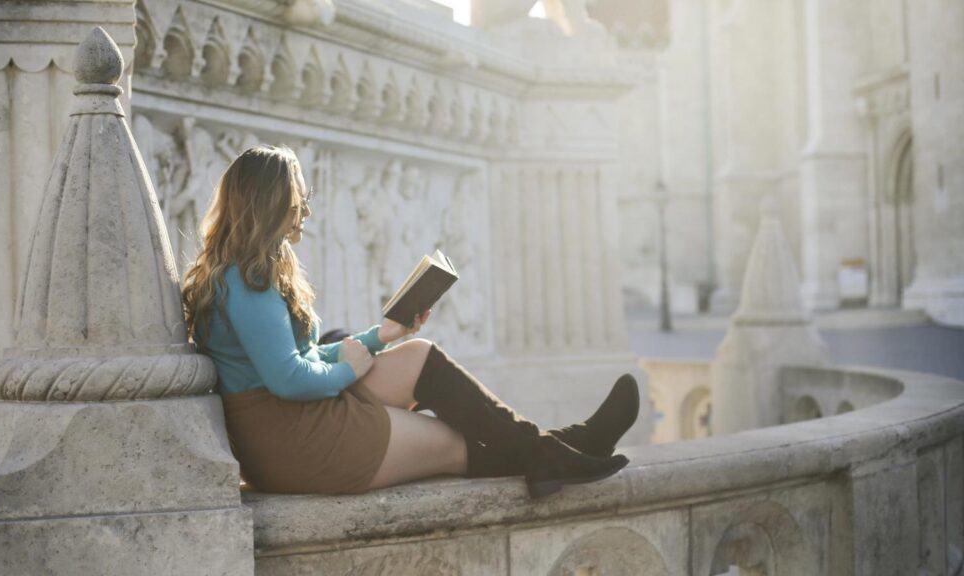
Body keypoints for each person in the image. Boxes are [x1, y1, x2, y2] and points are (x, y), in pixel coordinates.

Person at [181, 145, 639, 499]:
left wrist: (381, 337)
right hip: (291, 440)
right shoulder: (246, 281)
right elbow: (288, 378)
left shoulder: (246, 273)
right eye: (299, 199)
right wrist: (348, 370)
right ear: (270, 203)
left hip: (287, 421)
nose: (307, 210)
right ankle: (562, 451)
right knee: (451, 444)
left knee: (420, 356)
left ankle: (558, 452)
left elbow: (292, 359)